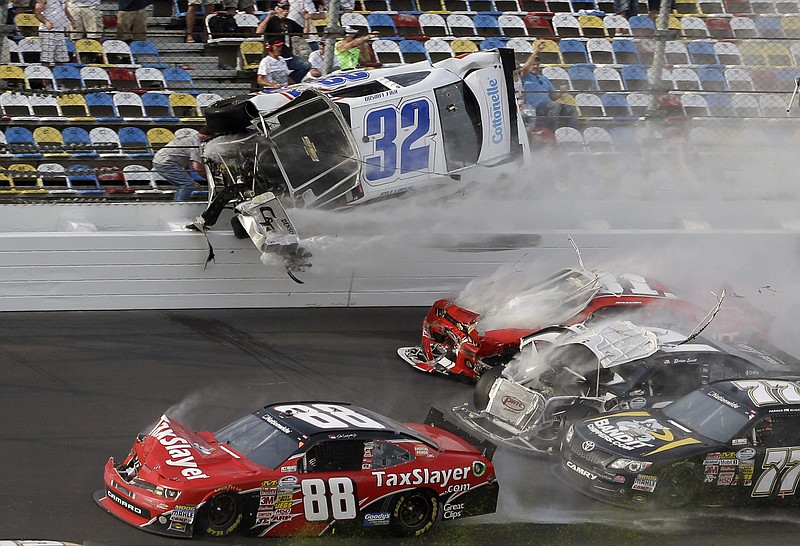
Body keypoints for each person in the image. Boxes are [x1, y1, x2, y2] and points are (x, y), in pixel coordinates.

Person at [519, 49, 578, 134]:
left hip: (548, 106)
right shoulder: (525, 76)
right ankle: (549, 132)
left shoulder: (544, 79)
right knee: (554, 106)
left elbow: (553, 96)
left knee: (570, 109)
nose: (535, 66)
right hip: (535, 107)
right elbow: (525, 68)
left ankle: (572, 133)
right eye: (533, 64)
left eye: (537, 65)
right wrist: (535, 52)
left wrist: (561, 92)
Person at [152, 126, 215, 201]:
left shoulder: (190, 137)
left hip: (160, 160)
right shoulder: (196, 145)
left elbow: (186, 164)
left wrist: (190, 179)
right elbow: (197, 167)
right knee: (188, 185)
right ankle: (179, 205)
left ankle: (177, 203)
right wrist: (210, 179)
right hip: (165, 163)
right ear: (206, 137)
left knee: (186, 184)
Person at [256, 1, 311, 82]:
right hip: (274, 55)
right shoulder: (272, 20)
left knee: (305, 66)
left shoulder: (290, 22)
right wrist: (268, 17)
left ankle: (290, 83)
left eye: (287, 9)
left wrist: (306, 19)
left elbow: (305, 35)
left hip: (288, 55)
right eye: (283, 8)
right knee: (273, 75)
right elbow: (259, 32)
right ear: (277, 9)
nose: (285, 11)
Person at [35, 0, 74, 67]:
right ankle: (45, 76)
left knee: (60, 58)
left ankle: (59, 75)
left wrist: (72, 20)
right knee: (46, 58)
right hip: (48, 30)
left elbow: (65, 9)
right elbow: (37, 12)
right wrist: (46, 22)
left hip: (60, 30)